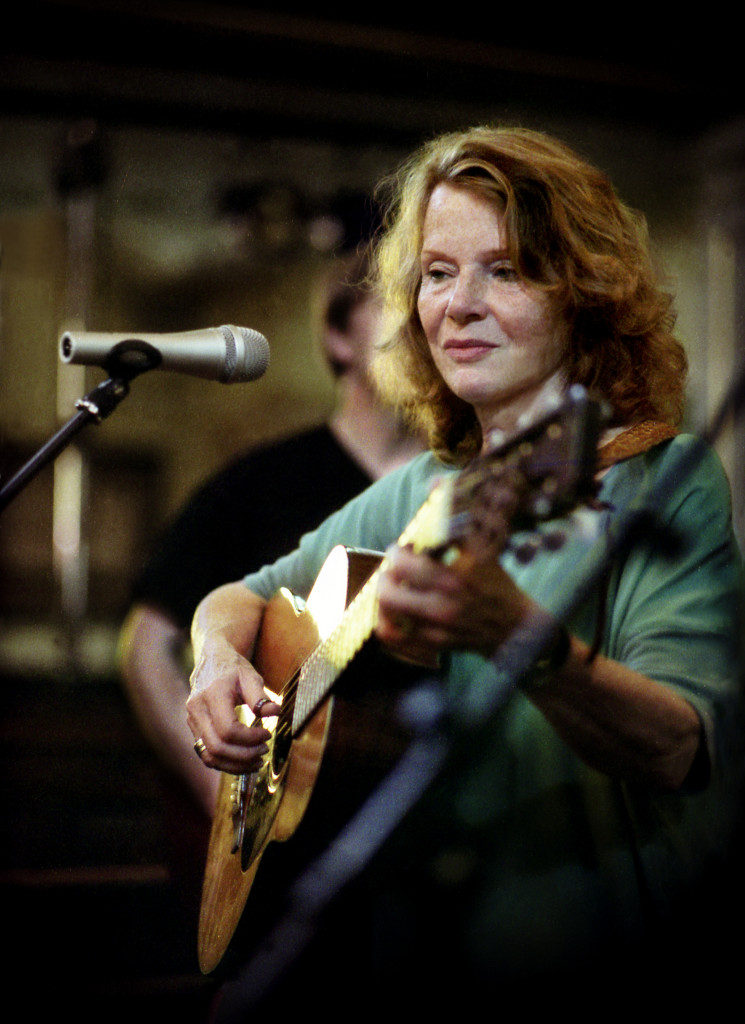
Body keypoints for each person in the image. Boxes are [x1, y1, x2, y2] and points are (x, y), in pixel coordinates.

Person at [185, 127, 744, 1006]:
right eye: (438, 273)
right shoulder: (427, 487)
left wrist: (516, 634)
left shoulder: (657, 478)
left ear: (584, 294)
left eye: (507, 270)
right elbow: (238, 598)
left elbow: (679, 745)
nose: (458, 305)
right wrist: (217, 661)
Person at [117, 249, 425, 906]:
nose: (423, 323)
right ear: (339, 337)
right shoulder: (258, 482)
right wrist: (216, 786)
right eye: (396, 305)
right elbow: (147, 642)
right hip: (289, 845)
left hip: (428, 828)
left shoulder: (472, 484)